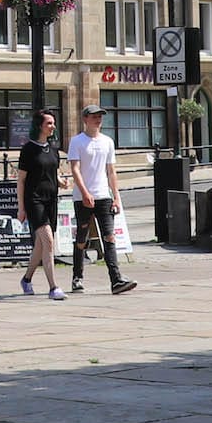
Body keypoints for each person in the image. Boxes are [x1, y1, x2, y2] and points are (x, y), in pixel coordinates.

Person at [66, 106, 138, 295]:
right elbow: (75, 169)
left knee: (109, 236)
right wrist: (84, 192)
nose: (98, 120)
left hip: (103, 195)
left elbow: (111, 171)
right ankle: (77, 277)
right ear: (85, 119)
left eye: (100, 117)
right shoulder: (77, 141)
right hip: (83, 196)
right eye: (94, 117)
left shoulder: (107, 141)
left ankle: (116, 279)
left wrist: (116, 197)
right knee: (82, 237)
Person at [16, 110, 65, 300]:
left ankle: (27, 279)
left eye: (53, 123)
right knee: (49, 241)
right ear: (39, 126)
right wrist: (21, 208)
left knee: (40, 244)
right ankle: (54, 287)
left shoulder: (53, 149)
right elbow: (21, 180)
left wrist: (61, 182)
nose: (52, 126)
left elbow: (53, 173)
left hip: (51, 199)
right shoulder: (28, 149)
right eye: (48, 123)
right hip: (34, 200)